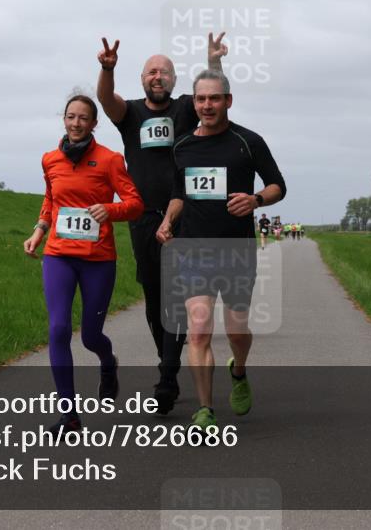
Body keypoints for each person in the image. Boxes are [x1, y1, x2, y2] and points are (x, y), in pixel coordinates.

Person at [96, 33, 226, 414]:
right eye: (152, 71)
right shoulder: (132, 114)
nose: (158, 76)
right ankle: (167, 361)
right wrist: (107, 69)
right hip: (142, 219)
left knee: (174, 296)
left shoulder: (186, 109)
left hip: (184, 216)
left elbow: (210, 94)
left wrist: (214, 62)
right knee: (154, 300)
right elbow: (106, 100)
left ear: (173, 79)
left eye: (165, 72)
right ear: (142, 79)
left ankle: (167, 377)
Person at [157, 69, 286, 430]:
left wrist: (256, 199)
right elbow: (179, 194)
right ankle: (204, 410)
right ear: (194, 103)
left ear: (228, 101)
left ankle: (239, 370)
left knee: (236, 331)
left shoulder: (248, 142)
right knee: (198, 328)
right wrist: (168, 221)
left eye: (215, 98)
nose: (207, 105)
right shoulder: (182, 146)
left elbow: (278, 185)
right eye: (201, 99)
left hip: (236, 250)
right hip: (193, 249)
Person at [24, 94, 144, 435]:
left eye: (83, 118)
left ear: (94, 124)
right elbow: (51, 199)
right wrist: (39, 230)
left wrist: (112, 210)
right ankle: (69, 416)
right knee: (58, 329)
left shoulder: (109, 160)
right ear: (64, 119)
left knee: (91, 336)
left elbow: (135, 203)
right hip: (59, 255)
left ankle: (108, 363)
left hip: (98, 260)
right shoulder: (50, 159)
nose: (76, 123)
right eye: (70, 117)